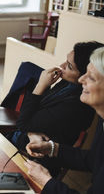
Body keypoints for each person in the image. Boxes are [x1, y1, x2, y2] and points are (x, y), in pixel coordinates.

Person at [24, 46, 104, 194]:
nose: (81, 79)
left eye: (91, 77)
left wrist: (46, 181)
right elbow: (93, 159)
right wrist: (51, 148)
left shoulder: (74, 106)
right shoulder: (102, 119)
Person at [9, 42, 103, 151]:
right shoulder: (68, 83)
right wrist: (31, 132)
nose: (62, 66)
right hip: (22, 139)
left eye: (69, 66)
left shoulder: (75, 106)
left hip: (30, 154)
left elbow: (23, 123)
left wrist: (41, 86)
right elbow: (35, 114)